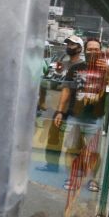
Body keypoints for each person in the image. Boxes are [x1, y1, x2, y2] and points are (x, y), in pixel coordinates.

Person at [52, 38, 108, 191]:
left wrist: (108, 69)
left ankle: (93, 180)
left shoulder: (106, 69)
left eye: (96, 49)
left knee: (94, 152)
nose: (93, 52)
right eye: (90, 49)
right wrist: (59, 111)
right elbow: (66, 91)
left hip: (95, 118)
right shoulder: (75, 69)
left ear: (100, 51)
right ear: (85, 50)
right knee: (71, 149)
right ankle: (72, 178)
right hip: (74, 116)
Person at [37, 35, 85, 173]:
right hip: (58, 106)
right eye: (68, 44)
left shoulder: (82, 66)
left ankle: (77, 167)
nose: (69, 47)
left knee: (77, 139)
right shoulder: (61, 64)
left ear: (80, 48)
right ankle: (52, 165)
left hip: (74, 108)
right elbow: (48, 81)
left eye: (72, 45)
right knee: (54, 135)